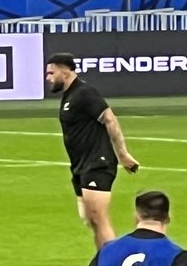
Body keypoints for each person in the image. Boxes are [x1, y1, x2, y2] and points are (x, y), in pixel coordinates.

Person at [45, 53, 141, 248]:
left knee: (100, 220)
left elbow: (110, 119)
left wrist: (122, 154)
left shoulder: (84, 93)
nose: (48, 78)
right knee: (93, 221)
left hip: (97, 163)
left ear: (65, 72)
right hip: (81, 167)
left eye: (51, 72)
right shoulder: (70, 95)